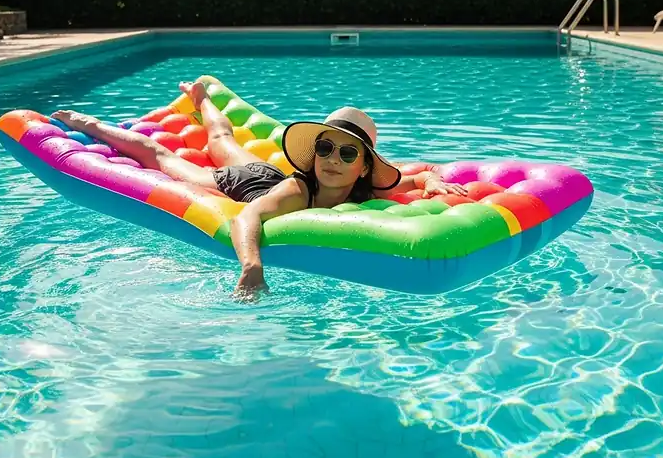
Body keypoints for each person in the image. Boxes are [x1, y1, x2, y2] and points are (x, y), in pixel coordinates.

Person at [52, 76, 467, 300]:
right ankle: (94, 123)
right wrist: (252, 266)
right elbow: (247, 215)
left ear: (363, 168)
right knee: (165, 156)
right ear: (315, 154)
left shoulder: (367, 191)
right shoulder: (300, 191)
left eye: (346, 154)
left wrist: (432, 181)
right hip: (245, 185)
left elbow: (418, 178)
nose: (333, 160)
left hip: (268, 175)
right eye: (325, 148)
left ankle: (200, 99)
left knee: (222, 140)